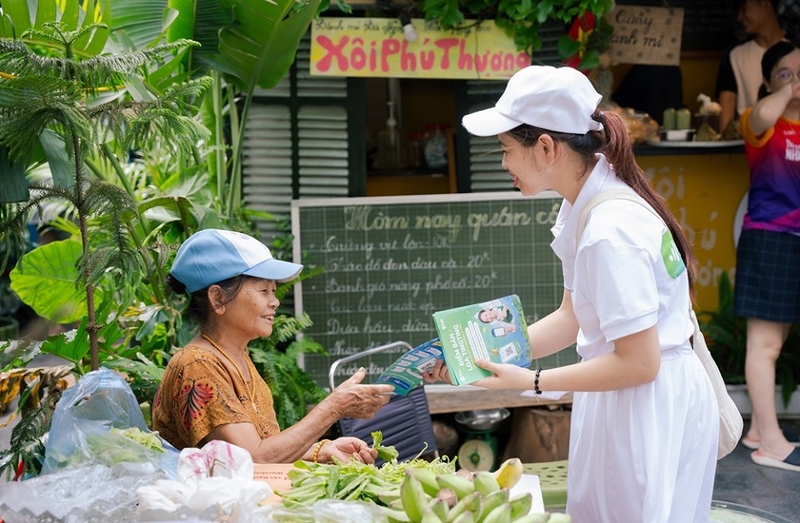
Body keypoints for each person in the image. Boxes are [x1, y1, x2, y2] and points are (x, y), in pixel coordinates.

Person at [424, 65, 718, 522]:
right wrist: (475, 356)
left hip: (646, 404)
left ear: (545, 147)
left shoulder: (608, 230)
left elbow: (640, 362)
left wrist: (532, 383)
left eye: (505, 150)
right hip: (629, 396)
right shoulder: (586, 202)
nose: (503, 164)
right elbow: (573, 317)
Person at [151, 229, 393, 464]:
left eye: (274, 291)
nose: (275, 301)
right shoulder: (198, 364)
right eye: (264, 290)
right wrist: (334, 407)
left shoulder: (236, 356)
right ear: (218, 298)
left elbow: (265, 447)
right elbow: (254, 460)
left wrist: (322, 450)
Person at [735, 41, 800, 472]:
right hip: (770, 236)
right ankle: (771, 444)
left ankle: (760, 428)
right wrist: (785, 89)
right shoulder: (760, 122)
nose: (796, 80)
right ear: (767, 80)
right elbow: (761, 115)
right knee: (766, 345)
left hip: (794, 239)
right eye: (785, 72)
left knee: (778, 341)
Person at [715, 0, 785, 134]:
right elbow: (727, 101)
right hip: (748, 142)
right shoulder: (735, 54)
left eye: (744, 8)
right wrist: (726, 146)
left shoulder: (795, 50)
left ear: (764, 4)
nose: (740, 18)